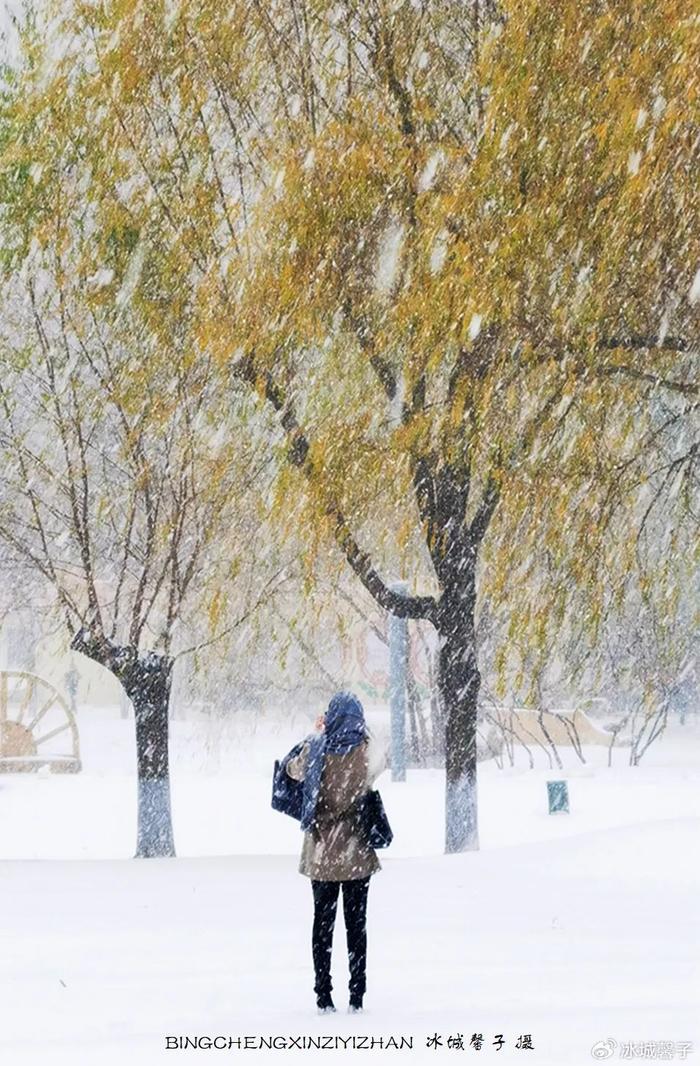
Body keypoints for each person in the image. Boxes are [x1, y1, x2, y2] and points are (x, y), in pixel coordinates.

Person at [286, 691, 386, 1015]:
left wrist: (317, 733)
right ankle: (357, 995)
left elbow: (291, 770)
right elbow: (385, 755)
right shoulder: (366, 753)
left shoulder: (317, 750)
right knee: (357, 927)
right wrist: (363, 732)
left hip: (322, 854)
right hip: (357, 855)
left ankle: (323, 995)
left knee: (323, 926)